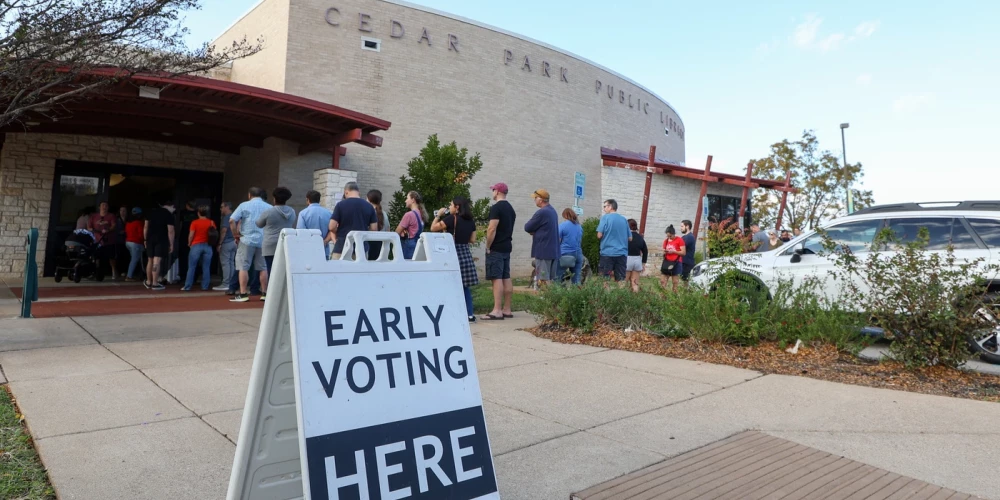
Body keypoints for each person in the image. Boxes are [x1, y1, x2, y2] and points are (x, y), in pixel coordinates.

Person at [430, 197, 479, 322]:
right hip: (465, 253)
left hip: (453, 254)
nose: (450, 207)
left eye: (451, 205)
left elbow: (433, 228)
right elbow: (473, 240)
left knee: (450, 284)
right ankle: (470, 314)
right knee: (465, 286)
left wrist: (438, 215)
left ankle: (451, 312)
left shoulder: (452, 218)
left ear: (457, 207)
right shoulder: (471, 221)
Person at [229, 187, 272, 303]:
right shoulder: (269, 207)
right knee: (263, 267)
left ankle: (243, 294)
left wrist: (235, 235)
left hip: (246, 239)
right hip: (263, 240)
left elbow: (232, 220)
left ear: (249, 195)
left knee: (243, 266)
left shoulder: (244, 205)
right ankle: (264, 293)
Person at [483, 182, 516, 320]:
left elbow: (492, 228)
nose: (492, 193)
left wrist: (488, 245)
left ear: (497, 192)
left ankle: (497, 310)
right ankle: (507, 309)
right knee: (505, 277)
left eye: (493, 190)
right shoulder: (511, 209)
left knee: (496, 278)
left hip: (496, 247)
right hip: (507, 246)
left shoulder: (496, 208)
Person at [328, 182, 378, 259]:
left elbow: (331, 226)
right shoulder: (369, 206)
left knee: (338, 270)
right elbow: (374, 228)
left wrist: (337, 232)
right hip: (362, 247)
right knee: (359, 271)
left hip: (342, 246)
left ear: (346, 192)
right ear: (358, 192)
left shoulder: (340, 205)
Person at [523, 189, 559, 288]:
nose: (534, 200)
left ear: (541, 199)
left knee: (543, 280)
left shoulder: (542, 212)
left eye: (535, 198)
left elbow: (527, 227)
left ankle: (545, 300)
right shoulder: (552, 211)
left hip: (543, 251)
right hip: (553, 251)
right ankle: (552, 300)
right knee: (550, 280)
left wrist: (535, 231)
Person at [256, 186, 296, 276]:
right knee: (283, 271)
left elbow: (259, 224)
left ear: (274, 199)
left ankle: (272, 290)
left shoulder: (269, 212)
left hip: (270, 245)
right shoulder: (292, 211)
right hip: (285, 244)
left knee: (271, 270)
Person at [596, 199, 631, 282]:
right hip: (621, 253)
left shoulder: (605, 218)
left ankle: (606, 295)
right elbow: (630, 238)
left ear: (610, 207)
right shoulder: (623, 219)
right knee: (621, 279)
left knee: (604, 278)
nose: (604, 209)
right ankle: (621, 295)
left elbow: (599, 235)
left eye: (605, 206)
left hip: (607, 253)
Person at [143, 199, 175, 291]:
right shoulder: (168, 214)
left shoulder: (151, 212)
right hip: (161, 239)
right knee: (157, 261)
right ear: (170, 206)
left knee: (150, 260)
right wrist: (171, 244)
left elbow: (145, 226)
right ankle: (155, 283)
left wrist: (145, 239)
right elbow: (171, 231)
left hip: (150, 238)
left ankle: (148, 281)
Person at [183, 205, 216, 291]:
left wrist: (189, 243)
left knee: (191, 267)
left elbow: (191, 235)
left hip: (196, 245)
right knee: (206, 267)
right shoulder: (211, 222)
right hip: (208, 245)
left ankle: (187, 286)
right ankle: (205, 286)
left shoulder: (195, 222)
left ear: (198, 213)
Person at [88, 201, 119, 279]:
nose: (104, 207)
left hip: (109, 240)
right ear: (99, 207)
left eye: (106, 205)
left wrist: (108, 230)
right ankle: (96, 272)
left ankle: (113, 272)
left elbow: (114, 225)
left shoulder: (111, 216)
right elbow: (89, 226)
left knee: (111, 257)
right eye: (103, 205)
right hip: (97, 241)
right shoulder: (94, 216)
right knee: (96, 257)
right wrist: (92, 229)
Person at [395, 191, 428, 260]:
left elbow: (397, 232)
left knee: (407, 267)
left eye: (407, 198)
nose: (405, 201)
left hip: (410, 245)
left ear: (413, 200)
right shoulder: (422, 214)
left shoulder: (409, 215)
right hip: (419, 244)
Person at [554, 208, 583, 285]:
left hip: (565, 254)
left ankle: (556, 295)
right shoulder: (579, 226)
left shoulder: (563, 225)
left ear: (565, 215)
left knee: (557, 276)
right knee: (576, 278)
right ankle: (578, 295)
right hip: (578, 254)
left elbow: (557, 240)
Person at [215, 202, 236, 291]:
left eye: (222, 207)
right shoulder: (235, 216)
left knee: (225, 263)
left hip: (227, 242)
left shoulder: (226, 217)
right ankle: (231, 282)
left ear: (227, 207)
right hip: (234, 241)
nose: (220, 209)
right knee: (231, 262)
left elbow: (224, 230)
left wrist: (220, 243)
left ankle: (226, 283)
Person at [366, 190, 391, 261]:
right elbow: (388, 229)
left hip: (370, 243)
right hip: (381, 244)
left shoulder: (368, 213)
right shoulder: (384, 214)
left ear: (369, 199)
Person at [661, 225, 686, 292]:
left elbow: (683, 253)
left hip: (676, 262)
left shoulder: (679, 240)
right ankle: (662, 297)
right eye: (668, 236)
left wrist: (674, 251)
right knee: (663, 281)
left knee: (675, 282)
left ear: (674, 234)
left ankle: (674, 296)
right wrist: (664, 252)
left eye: (670, 236)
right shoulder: (666, 241)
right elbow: (663, 250)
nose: (669, 238)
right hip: (667, 262)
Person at [625, 219, 648, 293]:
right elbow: (645, 250)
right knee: (635, 283)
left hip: (627, 259)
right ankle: (635, 300)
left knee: (623, 283)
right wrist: (643, 263)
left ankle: (622, 300)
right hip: (637, 260)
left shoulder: (626, 236)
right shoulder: (640, 237)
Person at [178, 200, 198, 280]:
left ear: (187, 206)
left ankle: (183, 276)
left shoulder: (182, 213)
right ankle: (194, 277)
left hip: (184, 237)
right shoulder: (198, 214)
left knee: (183, 258)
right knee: (195, 258)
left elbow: (178, 225)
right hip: (196, 239)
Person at [124, 208, 145, 282]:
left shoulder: (128, 223)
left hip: (128, 242)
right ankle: (129, 276)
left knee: (134, 259)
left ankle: (134, 274)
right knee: (135, 260)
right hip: (136, 243)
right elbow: (141, 235)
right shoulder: (139, 223)